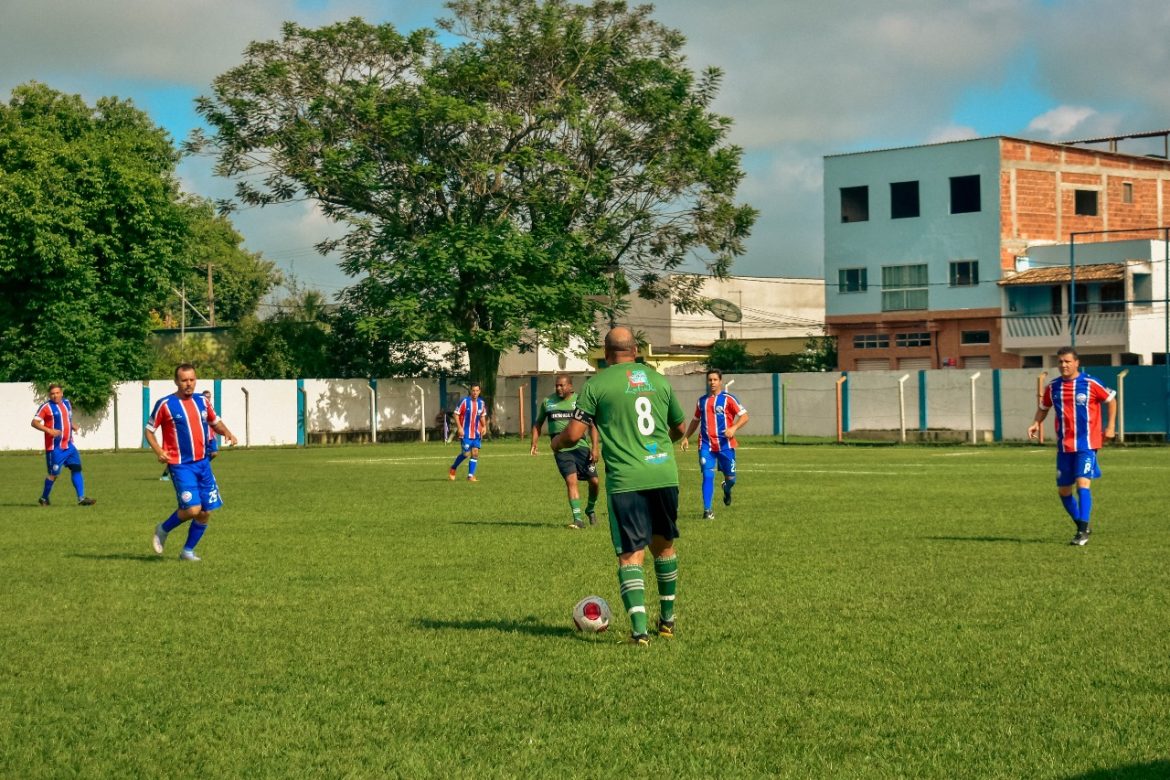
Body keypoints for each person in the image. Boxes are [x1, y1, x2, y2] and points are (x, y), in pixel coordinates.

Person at [551, 327, 687, 646]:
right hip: (664, 473)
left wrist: (556, 443)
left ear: (606, 352)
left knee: (630, 555)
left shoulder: (597, 384)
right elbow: (680, 428)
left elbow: (572, 435)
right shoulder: (659, 380)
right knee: (664, 547)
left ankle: (639, 632)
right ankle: (667, 622)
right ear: (636, 350)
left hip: (627, 479)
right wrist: (657, 447)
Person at [1027, 347, 1116, 546]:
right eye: (1060, 362)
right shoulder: (1053, 387)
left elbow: (1111, 401)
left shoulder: (1090, 383)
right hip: (1064, 446)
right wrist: (1035, 423)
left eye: (1067, 361)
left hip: (1087, 444)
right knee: (1064, 492)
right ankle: (1081, 523)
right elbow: (1044, 408)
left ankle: (1082, 532)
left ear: (1076, 363)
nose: (1064, 365)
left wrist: (1110, 427)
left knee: (1082, 483)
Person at [147, 364, 237, 561]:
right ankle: (163, 529)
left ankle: (187, 551)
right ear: (176, 382)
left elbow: (215, 422)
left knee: (205, 512)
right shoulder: (165, 404)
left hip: (203, 464)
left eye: (191, 380)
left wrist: (227, 432)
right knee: (192, 509)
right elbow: (149, 430)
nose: (188, 384)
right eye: (184, 380)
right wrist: (159, 451)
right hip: (181, 465)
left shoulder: (202, 402)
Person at [530, 374, 602, 529]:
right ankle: (578, 519)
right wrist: (534, 442)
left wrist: (595, 447)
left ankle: (590, 508)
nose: (558, 388)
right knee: (571, 481)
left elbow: (592, 425)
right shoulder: (547, 402)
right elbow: (538, 423)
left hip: (581, 447)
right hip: (562, 449)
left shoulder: (580, 402)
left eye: (561, 385)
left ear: (571, 387)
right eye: (556, 385)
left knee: (595, 482)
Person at [680, 369, 749, 519]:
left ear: (720, 381)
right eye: (710, 380)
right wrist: (686, 437)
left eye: (715, 380)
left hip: (726, 445)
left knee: (731, 479)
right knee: (707, 475)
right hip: (706, 445)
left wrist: (733, 428)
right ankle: (707, 510)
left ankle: (727, 488)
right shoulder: (702, 401)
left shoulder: (729, 399)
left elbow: (744, 416)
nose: (712, 382)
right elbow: (695, 420)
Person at [30, 383, 97, 506]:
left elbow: (66, 418)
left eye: (57, 393)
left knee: (76, 468)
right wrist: (49, 430)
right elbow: (34, 422)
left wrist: (72, 425)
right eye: (52, 394)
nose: (55, 395)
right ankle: (44, 498)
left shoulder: (66, 403)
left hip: (69, 445)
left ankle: (81, 498)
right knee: (53, 475)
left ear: (61, 393)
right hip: (55, 448)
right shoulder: (46, 407)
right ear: (49, 395)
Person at [161, 390, 216, 480]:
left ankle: (197, 469)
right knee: (184, 457)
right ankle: (167, 473)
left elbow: (214, 422)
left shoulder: (208, 407)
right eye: (206, 396)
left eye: (209, 396)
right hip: (198, 437)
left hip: (209, 435)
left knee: (214, 453)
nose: (208, 398)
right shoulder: (198, 406)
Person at [448, 383, 487, 482]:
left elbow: (482, 416)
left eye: (477, 391)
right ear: (470, 391)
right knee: (466, 454)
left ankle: (470, 476)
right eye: (473, 390)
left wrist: (484, 426)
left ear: (479, 391)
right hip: (465, 433)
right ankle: (453, 467)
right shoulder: (464, 401)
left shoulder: (481, 403)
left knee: (475, 453)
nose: (475, 393)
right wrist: (460, 428)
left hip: (476, 433)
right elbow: (456, 414)